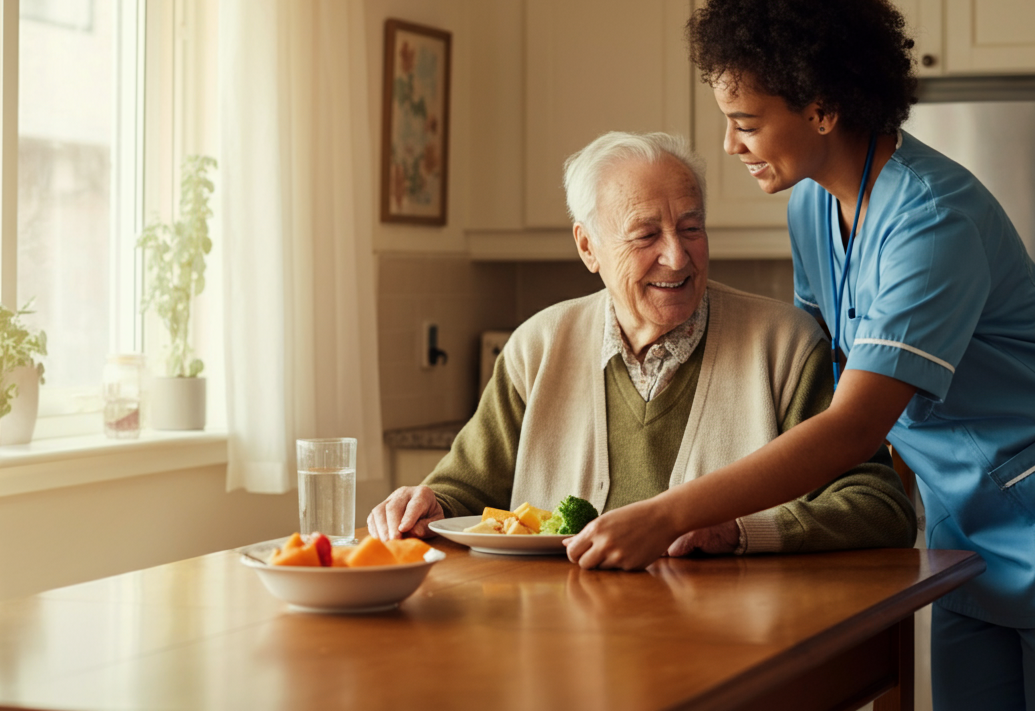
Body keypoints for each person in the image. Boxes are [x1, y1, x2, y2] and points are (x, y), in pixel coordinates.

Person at [563, 0, 1035, 711]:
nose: (730, 145)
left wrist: (669, 510)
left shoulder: (931, 218)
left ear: (822, 109)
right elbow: (827, 371)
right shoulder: (810, 208)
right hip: (970, 527)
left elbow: (855, 421)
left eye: (746, 122)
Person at [368, 131, 917, 556]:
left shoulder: (785, 347)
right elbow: (463, 491)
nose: (677, 257)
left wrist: (743, 531)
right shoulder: (537, 347)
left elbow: (879, 506)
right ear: (589, 247)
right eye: (646, 235)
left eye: (692, 228)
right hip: (560, 650)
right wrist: (423, 504)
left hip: (736, 649)